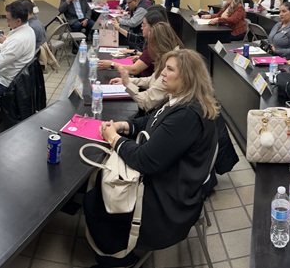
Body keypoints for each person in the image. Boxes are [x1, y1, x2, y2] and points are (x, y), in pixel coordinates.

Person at [88, 49, 218, 268]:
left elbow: (144, 160)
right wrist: (125, 126)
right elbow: (151, 121)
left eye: (169, 69)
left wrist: (114, 138)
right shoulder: (180, 101)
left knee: (97, 200)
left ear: (187, 77)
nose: (162, 74)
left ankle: (117, 260)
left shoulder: (186, 115)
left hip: (168, 204)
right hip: (172, 181)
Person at [102, 21, 182, 78]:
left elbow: (134, 70)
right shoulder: (171, 50)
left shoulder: (154, 47)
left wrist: (112, 65)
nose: (141, 28)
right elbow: (150, 81)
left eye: (144, 25)